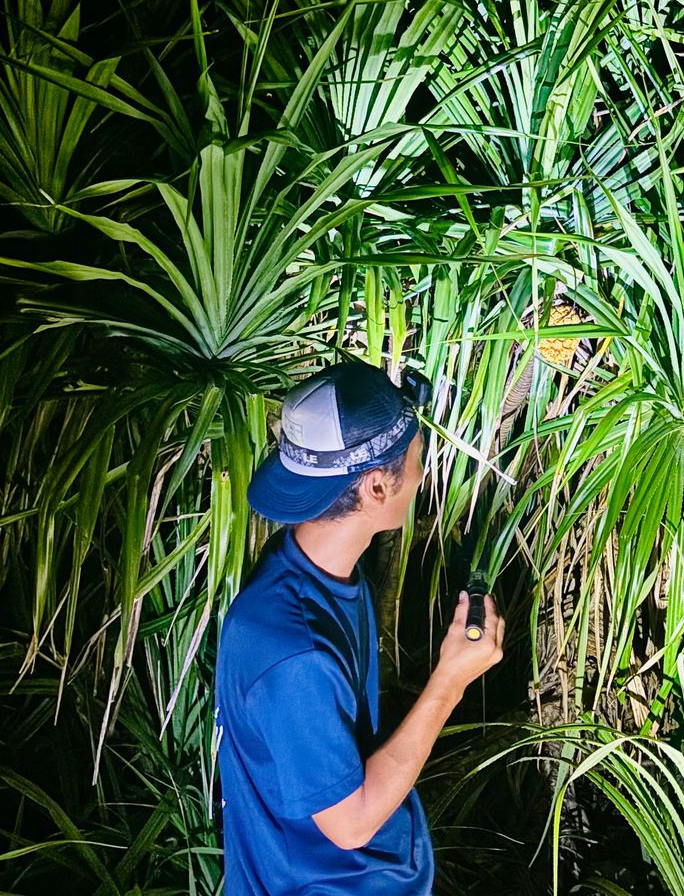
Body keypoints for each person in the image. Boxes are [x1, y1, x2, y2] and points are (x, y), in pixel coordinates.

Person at [214, 360, 505, 894]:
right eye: (417, 459)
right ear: (375, 488)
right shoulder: (293, 653)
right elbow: (351, 824)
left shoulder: (315, 571)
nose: (421, 474)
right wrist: (451, 680)